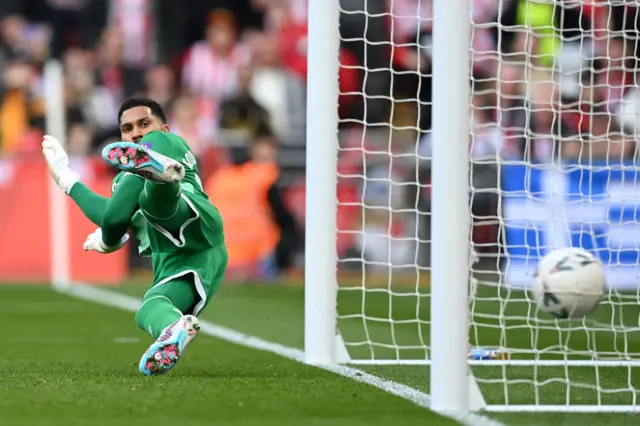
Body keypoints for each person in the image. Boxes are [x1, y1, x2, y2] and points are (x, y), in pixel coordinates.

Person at [41, 97, 228, 376]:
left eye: (144, 123)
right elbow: (110, 213)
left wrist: (108, 238)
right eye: (127, 129)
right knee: (148, 309)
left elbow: (114, 220)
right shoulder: (123, 179)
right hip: (187, 257)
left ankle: (160, 178)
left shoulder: (168, 141)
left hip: (194, 219)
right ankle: (174, 327)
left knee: (155, 202)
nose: (136, 133)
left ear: (164, 127)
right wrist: (67, 179)